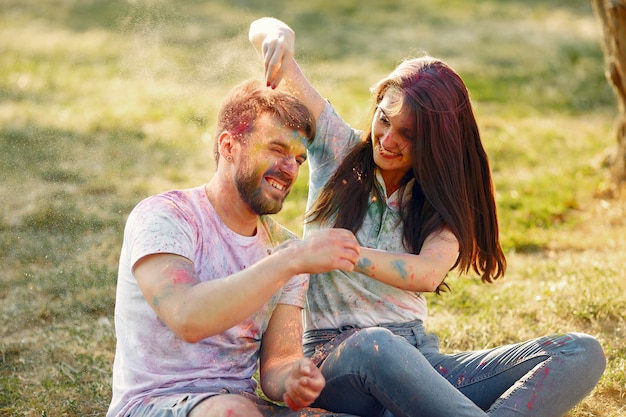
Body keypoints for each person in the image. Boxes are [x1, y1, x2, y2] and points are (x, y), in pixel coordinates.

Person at [249, 17, 606, 417]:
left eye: (410, 135)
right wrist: (276, 34)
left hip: (421, 362)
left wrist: (343, 254)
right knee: (375, 344)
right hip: (338, 359)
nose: (388, 140)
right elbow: (267, 37)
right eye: (384, 119)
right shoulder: (338, 148)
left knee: (581, 351)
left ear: (437, 142)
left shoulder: (439, 202)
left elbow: (427, 273)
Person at [106, 79, 362, 417]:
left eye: (299, 160)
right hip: (156, 403)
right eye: (277, 149)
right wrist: (290, 261)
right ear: (229, 146)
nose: (289, 170)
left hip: (244, 405)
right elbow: (187, 317)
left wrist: (293, 378)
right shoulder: (165, 217)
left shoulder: (284, 249)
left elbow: (278, 363)